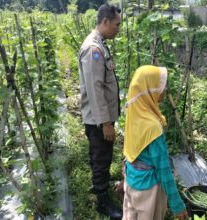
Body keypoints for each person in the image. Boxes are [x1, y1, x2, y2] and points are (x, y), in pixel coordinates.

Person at [122, 65, 188, 220]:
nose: (164, 90)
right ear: (150, 90)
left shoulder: (134, 111)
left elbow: (130, 148)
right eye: (161, 86)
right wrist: (177, 204)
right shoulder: (152, 127)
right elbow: (163, 169)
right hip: (148, 190)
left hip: (131, 180)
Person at [78, 3, 122, 219]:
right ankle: (102, 202)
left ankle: (98, 187)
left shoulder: (100, 44)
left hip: (98, 117)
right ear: (104, 21)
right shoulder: (93, 49)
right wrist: (106, 123)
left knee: (98, 155)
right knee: (102, 157)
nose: (118, 28)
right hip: (98, 120)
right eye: (116, 24)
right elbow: (96, 90)